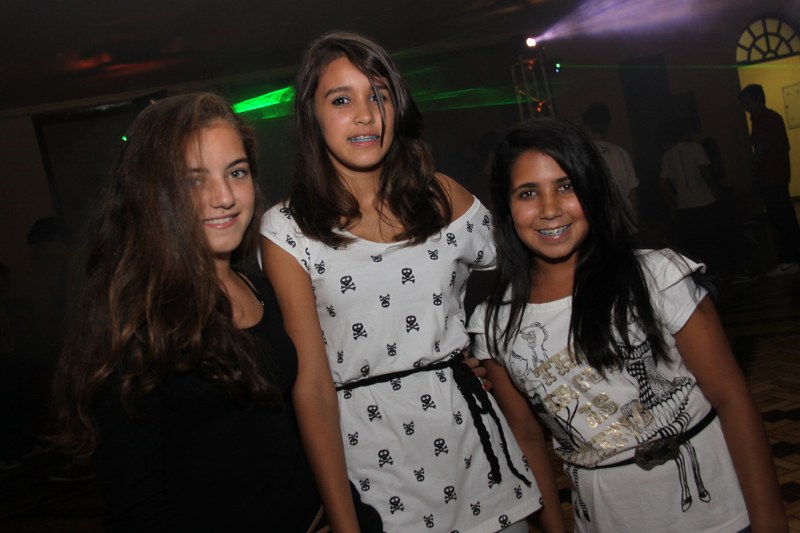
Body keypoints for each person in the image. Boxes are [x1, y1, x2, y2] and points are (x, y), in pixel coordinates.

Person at [260, 32, 551, 532]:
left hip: (477, 458)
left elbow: (532, 270)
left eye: (379, 95)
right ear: (312, 114)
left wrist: (485, 352)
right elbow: (312, 389)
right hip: (374, 472)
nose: (365, 115)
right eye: (341, 100)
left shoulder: (441, 197)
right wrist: (345, 523)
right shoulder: (288, 229)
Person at [468, 119, 787, 532]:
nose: (549, 209)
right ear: (506, 208)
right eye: (528, 193)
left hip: (718, 514)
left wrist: (769, 521)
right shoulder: (494, 323)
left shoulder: (657, 276)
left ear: (593, 190)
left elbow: (732, 398)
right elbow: (526, 437)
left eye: (566, 186)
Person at [50, 93, 324, 532]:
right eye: (194, 180)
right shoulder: (135, 324)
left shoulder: (261, 289)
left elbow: (291, 433)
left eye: (236, 172)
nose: (224, 197)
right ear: (152, 194)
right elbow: (137, 508)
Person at [739, 84, 800, 276]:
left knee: (779, 218)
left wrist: (754, 172)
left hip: (770, 175)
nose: (746, 108)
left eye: (747, 103)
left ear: (758, 99)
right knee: (785, 215)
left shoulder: (762, 120)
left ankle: (789, 258)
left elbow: (761, 149)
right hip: (779, 174)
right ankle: (793, 256)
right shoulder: (774, 118)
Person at [580, 102, 639, 221]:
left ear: (587, 128)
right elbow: (632, 193)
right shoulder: (621, 152)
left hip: (602, 222)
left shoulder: (582, 154)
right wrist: (636, 221)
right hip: (625, 220)